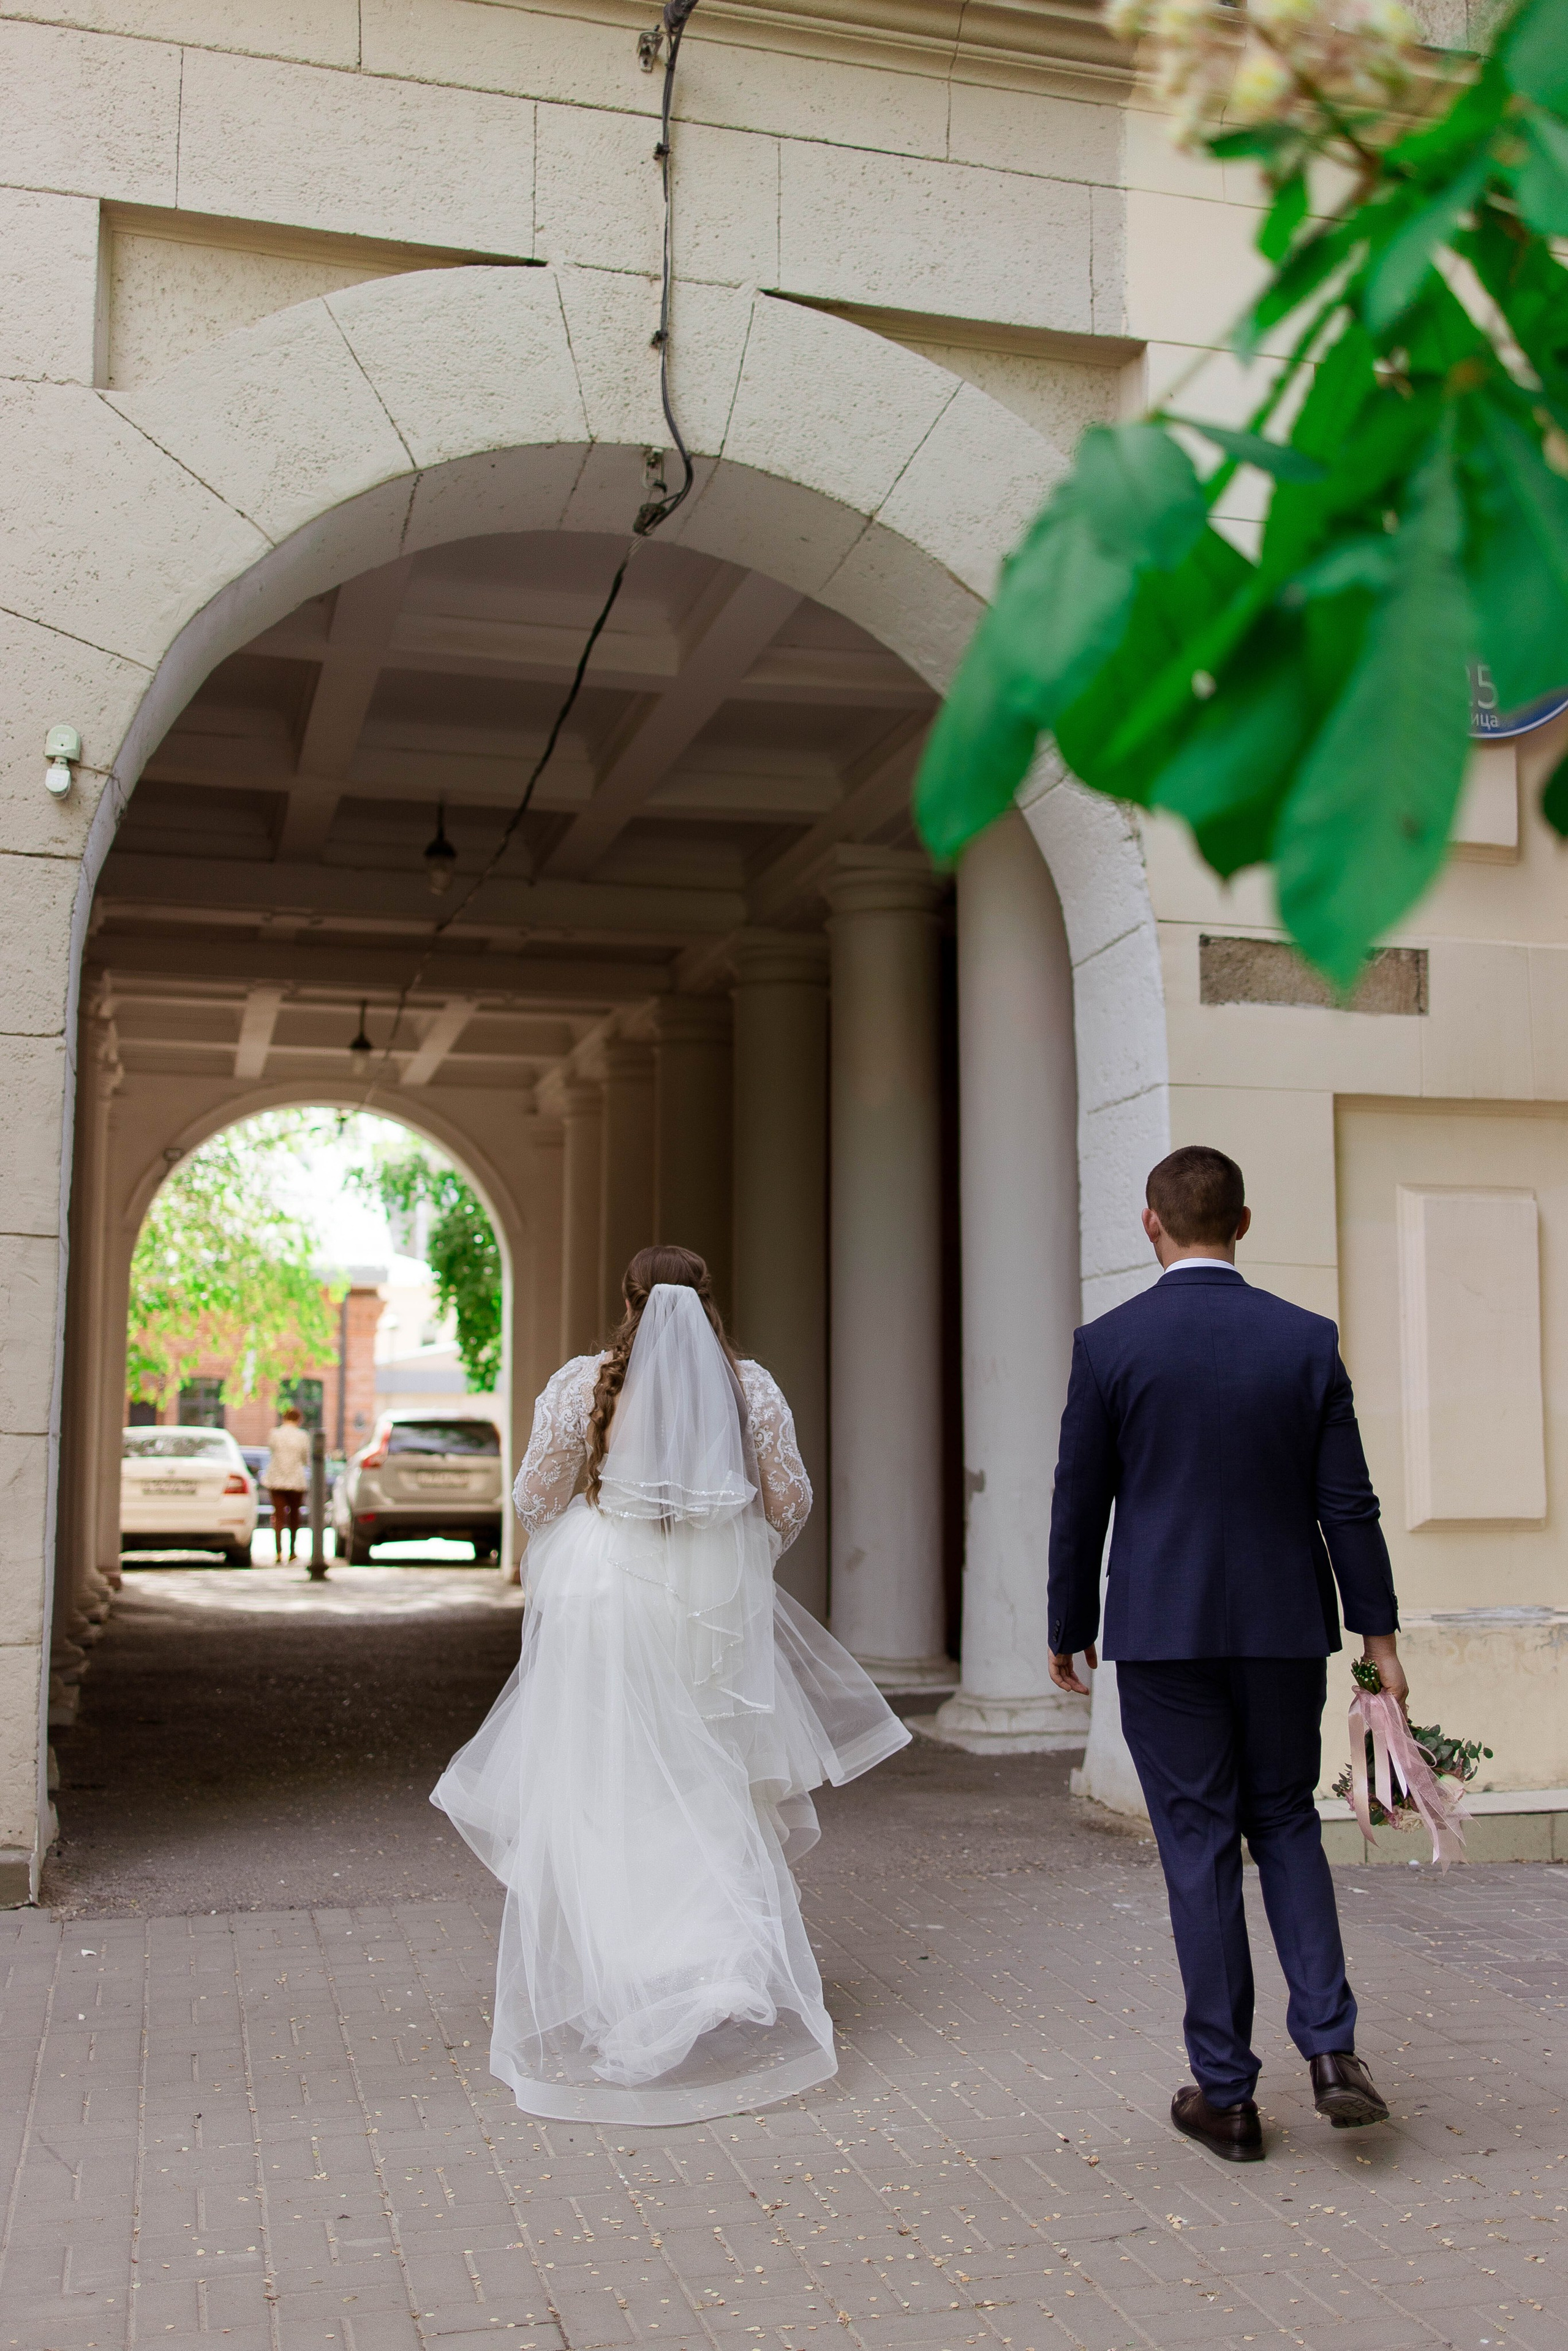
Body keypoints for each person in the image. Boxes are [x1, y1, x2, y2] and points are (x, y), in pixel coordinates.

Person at [432, 1243, 911, 2125]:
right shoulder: (751, 1387)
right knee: (707, 1777)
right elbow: (792, 1499)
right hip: (709, 1608)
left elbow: (534, 1496)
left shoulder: (582, 1383)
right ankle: (713, 1960)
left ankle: (633, 1977)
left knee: (612, 1785)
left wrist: (587, 1531)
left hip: (610, 1595)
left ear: (629, 1302)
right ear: (707, 1300)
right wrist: (729, 1549)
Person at [1046, 1145, 1402, 2163]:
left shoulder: (1111, 1344)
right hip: (1286, 1628)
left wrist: (1067, 1623)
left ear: (1149, 1224)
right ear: (1242, 1223)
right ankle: (1333, 2051)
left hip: (1163, 1632)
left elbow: (1080, 1498)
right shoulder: (1304, 1341)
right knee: (1286, 1820)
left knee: (1200, 1841)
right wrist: (1379, 1640)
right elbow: (1350, 1505)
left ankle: (1228, 2095)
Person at [264, 1404, 311, 1564]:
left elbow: (272, 1452)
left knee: (278, 1516)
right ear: (299, 1419)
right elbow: (305, 1459)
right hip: (296, 1480)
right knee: (294, 1516)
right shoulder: (302, 1436)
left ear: (284, 1418)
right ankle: (292, 1551)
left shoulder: (275, 1434)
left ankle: (278, 1552)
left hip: (276, 1479)